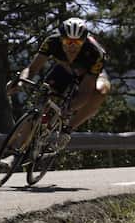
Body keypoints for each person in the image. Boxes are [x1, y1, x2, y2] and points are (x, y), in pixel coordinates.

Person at [6, 16, 111, 152]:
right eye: (67, 41)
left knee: (100, 92)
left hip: (89, 76)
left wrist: (68, 110)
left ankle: (68, 129)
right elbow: (32, 69)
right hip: (64, 70)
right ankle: (16, 150)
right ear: (61, 38)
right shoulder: (52, 41)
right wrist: (20, 82)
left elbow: (85, 92)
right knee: (41, 104)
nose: (72, 46)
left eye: (77, 43)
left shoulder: (95, 52)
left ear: (84, 41)